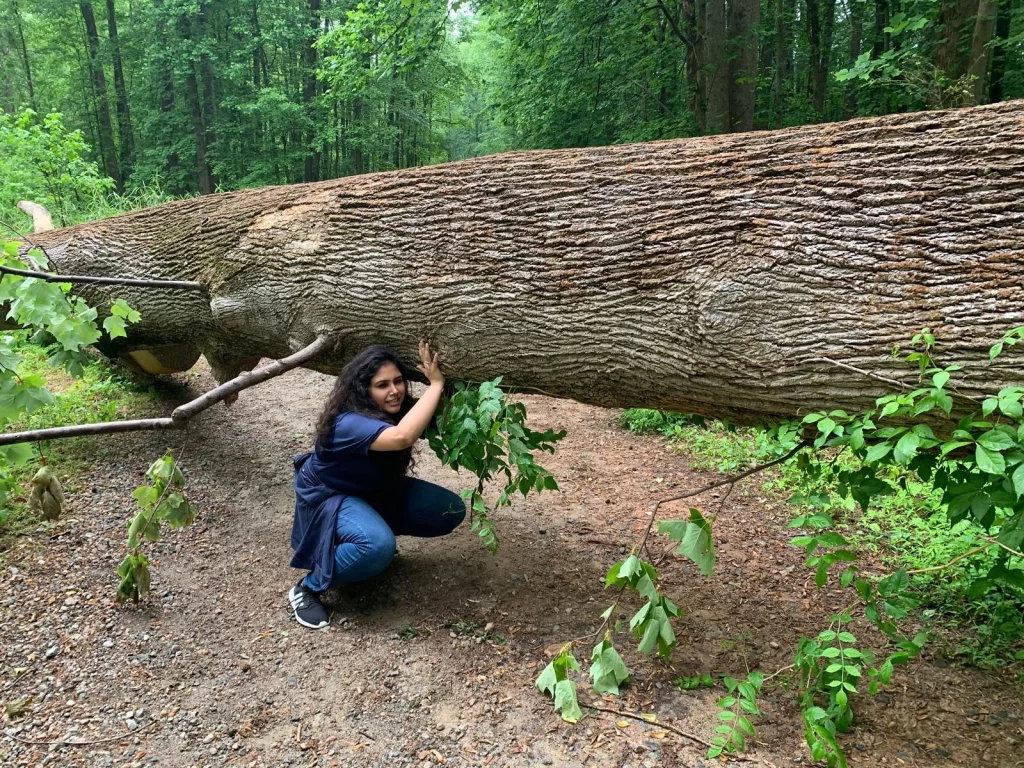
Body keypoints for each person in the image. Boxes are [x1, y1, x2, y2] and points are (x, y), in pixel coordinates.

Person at [288, 341, 465, 629]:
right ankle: (309, 587)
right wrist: (436, 384)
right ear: (363, 390)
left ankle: (367, 541)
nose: (394, 391)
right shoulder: (347, 422)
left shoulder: (393, 408)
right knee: (376, 545)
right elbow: (402, 437)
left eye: (398, 381)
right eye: (382, 385)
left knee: (449, 509)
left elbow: (436, 416)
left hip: (371, 492)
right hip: (331, 497)